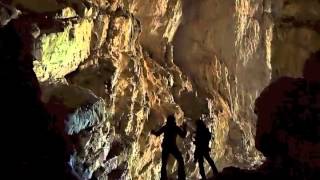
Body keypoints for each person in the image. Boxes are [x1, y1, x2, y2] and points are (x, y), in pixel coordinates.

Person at [151, 114, 187, 180]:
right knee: (180, 160)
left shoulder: (166, 127)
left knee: (164, 163)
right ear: (173, 121)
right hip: (172, 146)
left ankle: (163, 178)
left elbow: (157, 133)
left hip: (166, 146)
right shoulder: (175, 127)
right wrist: (184, 128)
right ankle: (181, 176)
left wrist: (153, 132)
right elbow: (183, 135)